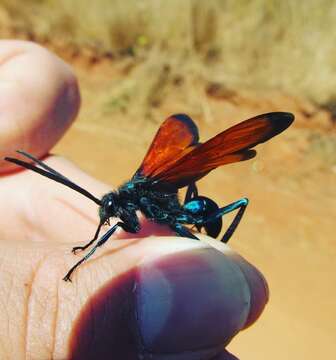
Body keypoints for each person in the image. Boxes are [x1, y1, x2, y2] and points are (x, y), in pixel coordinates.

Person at [0, 40, 268, 360]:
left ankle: (220, 256)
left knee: (232, 207)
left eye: (111, 212)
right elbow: (110, 221)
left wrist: (84, 258)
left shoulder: (145, 191)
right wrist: (90, 245)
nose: (110, 218)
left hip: (198, 214)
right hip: (178, 215)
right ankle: (215, 259)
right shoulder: (131, 200)